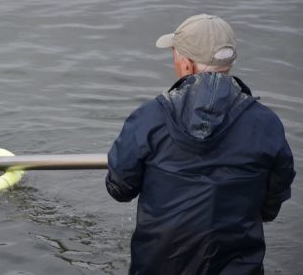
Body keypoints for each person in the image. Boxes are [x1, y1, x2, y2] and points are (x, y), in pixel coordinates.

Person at [105, 14, 295, 274]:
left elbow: (119, 188)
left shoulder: (149, 118)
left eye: (174, 53)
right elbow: (272, 202)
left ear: (186, 65)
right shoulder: (266, 124)